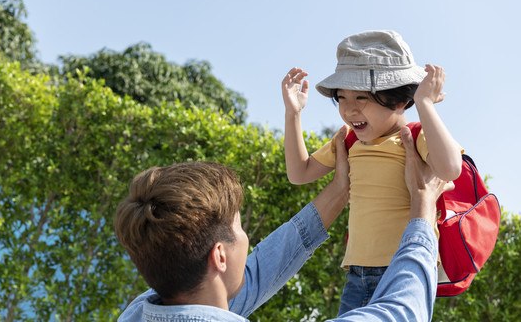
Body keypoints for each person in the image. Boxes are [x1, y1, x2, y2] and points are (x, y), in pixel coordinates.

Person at [114, 125, 453, 322]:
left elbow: (258, 271)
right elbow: (400, 312)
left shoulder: (138, 312)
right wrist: (423, 206)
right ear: (219, 256)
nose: (247, 242)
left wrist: (339, 191)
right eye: (239, 228)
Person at [282, 30, 463, 315]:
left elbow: (451, 168)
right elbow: (299, 172)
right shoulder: (348, 141)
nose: (349, 109)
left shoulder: (415, 137)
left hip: (405, 271)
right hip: (356, 276)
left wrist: (425, 104)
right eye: (341, 97)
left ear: (400, 99)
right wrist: (293, 114)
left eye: (362, 97)